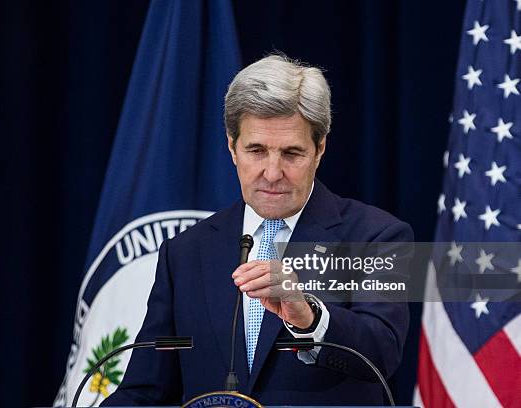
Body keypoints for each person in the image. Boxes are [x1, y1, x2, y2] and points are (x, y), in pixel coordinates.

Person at [101, 54, 412, 406]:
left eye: (292, 153)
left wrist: (309, 316)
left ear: (319, 149)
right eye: (257, 150)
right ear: (232, 147)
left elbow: (382, 353)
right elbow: (146, 390)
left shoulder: (376, 237)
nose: (273, 172)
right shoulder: (186, 251)